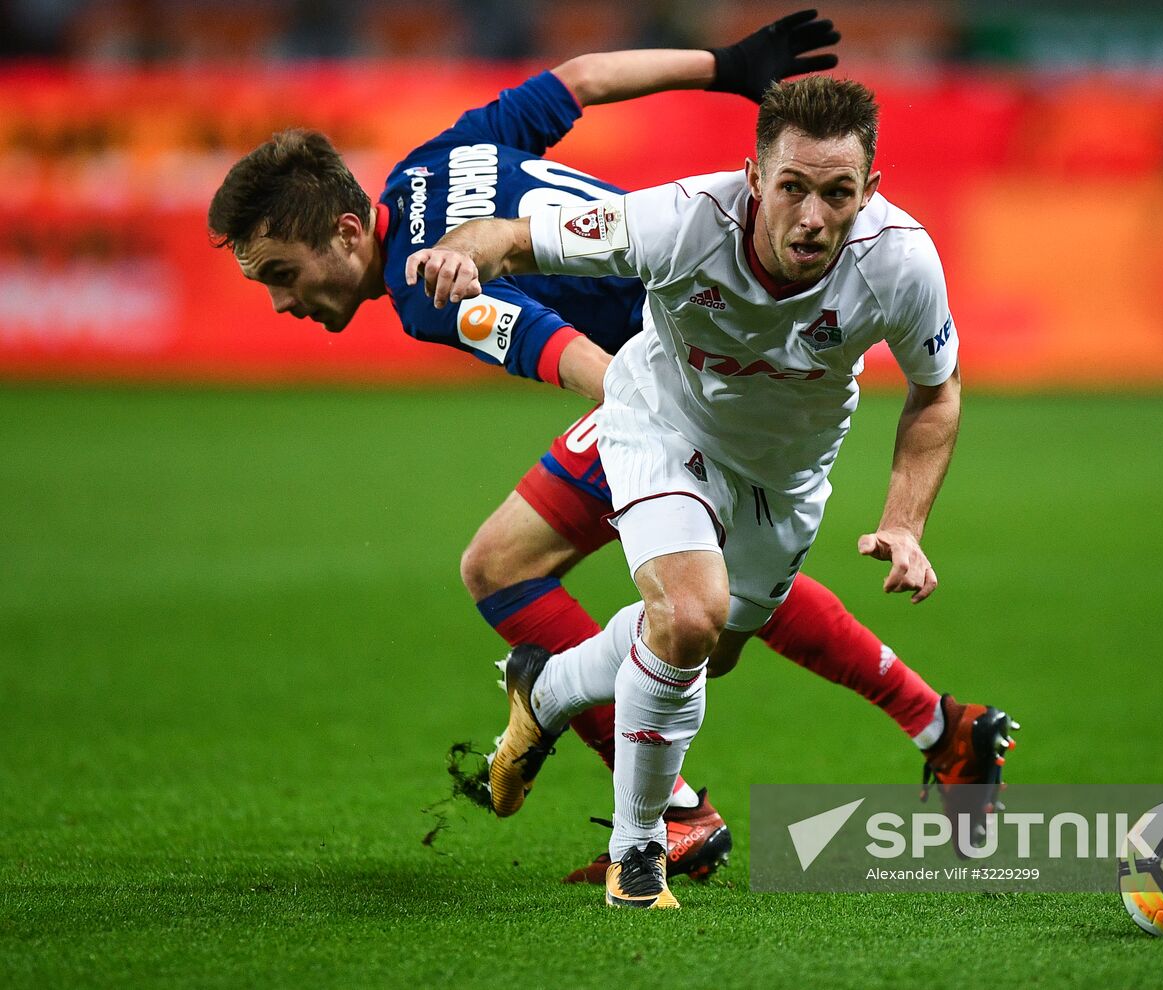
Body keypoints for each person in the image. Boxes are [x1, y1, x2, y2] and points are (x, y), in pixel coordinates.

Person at [208, 13, 1002, 891]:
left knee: (523, 571)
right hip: (689, 352)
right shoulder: (435, 162)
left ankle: (662, 800)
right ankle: (934, 726)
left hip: (676, 367)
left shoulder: (425, 288)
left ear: (350, 234)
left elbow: (571, 356)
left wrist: (667, 438)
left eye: (281, 273)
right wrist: (722, 65)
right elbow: (581, 78)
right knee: (704, 600)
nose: (285, 303)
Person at [409, 74, 1018, 909]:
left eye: (837, 193)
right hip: (661, 427)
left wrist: (904, 522)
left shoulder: (902, 262)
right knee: (687, 615)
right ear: (754, 178)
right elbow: (513, 239)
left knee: (707, 648)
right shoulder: (679, 219)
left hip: (785, 477)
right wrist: (460, 253)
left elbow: (936, 390)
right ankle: (642, 851)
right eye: (792, 188)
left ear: (869, 191)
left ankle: (544, 692)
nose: (812, 217)